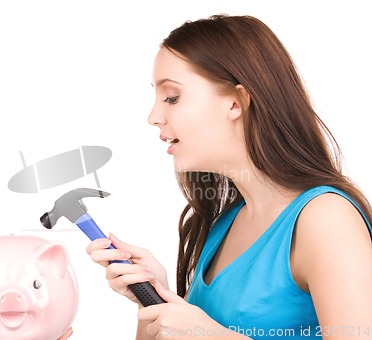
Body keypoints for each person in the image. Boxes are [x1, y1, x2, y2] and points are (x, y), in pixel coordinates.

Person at [87, 14, 372, 339]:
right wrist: (154, 300)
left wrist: (208, 334)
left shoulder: (327, 221)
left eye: (172, 97)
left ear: (236, 102)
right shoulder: (223, 223)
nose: (154, 117)